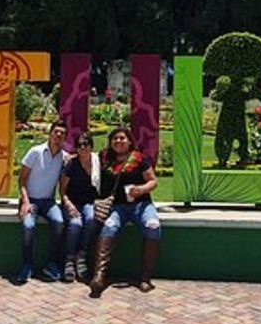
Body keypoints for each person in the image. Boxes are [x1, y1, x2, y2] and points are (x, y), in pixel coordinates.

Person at [89, 127, 161, 298]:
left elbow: (153, 181)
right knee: (109, 227)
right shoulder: (105, 158)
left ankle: (145, 278)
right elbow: (85, 157)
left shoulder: (139, 159)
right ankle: (99, 276)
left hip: (141, 205)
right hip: (118, 207)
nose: (118, 141)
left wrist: (141, 189)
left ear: (129, 141)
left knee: (153, 226)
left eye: (122, 138)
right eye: (115, 138)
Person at [16, 120, 68, 284]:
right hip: (30, 199)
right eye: (56, 132)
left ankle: (51, 263)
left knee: (59, 222)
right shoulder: (35, 152)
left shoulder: (64, 157)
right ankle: (27, 264)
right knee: (29, 226)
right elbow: (22, 180)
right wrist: (25, 201)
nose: (58, 136)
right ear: (50, 134)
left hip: (48, 202)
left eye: (62, 133)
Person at [60, 132, 101, 282]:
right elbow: (62, 190)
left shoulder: (97, 161)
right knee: (75, 224)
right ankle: (69, 259)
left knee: (90, 219)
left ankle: (81, 255)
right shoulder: (71, 164)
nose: (83, 148)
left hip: (89, 202)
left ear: (91, 146)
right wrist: (68, 205)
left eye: (86, 144)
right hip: (72, 201)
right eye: (79, 145)